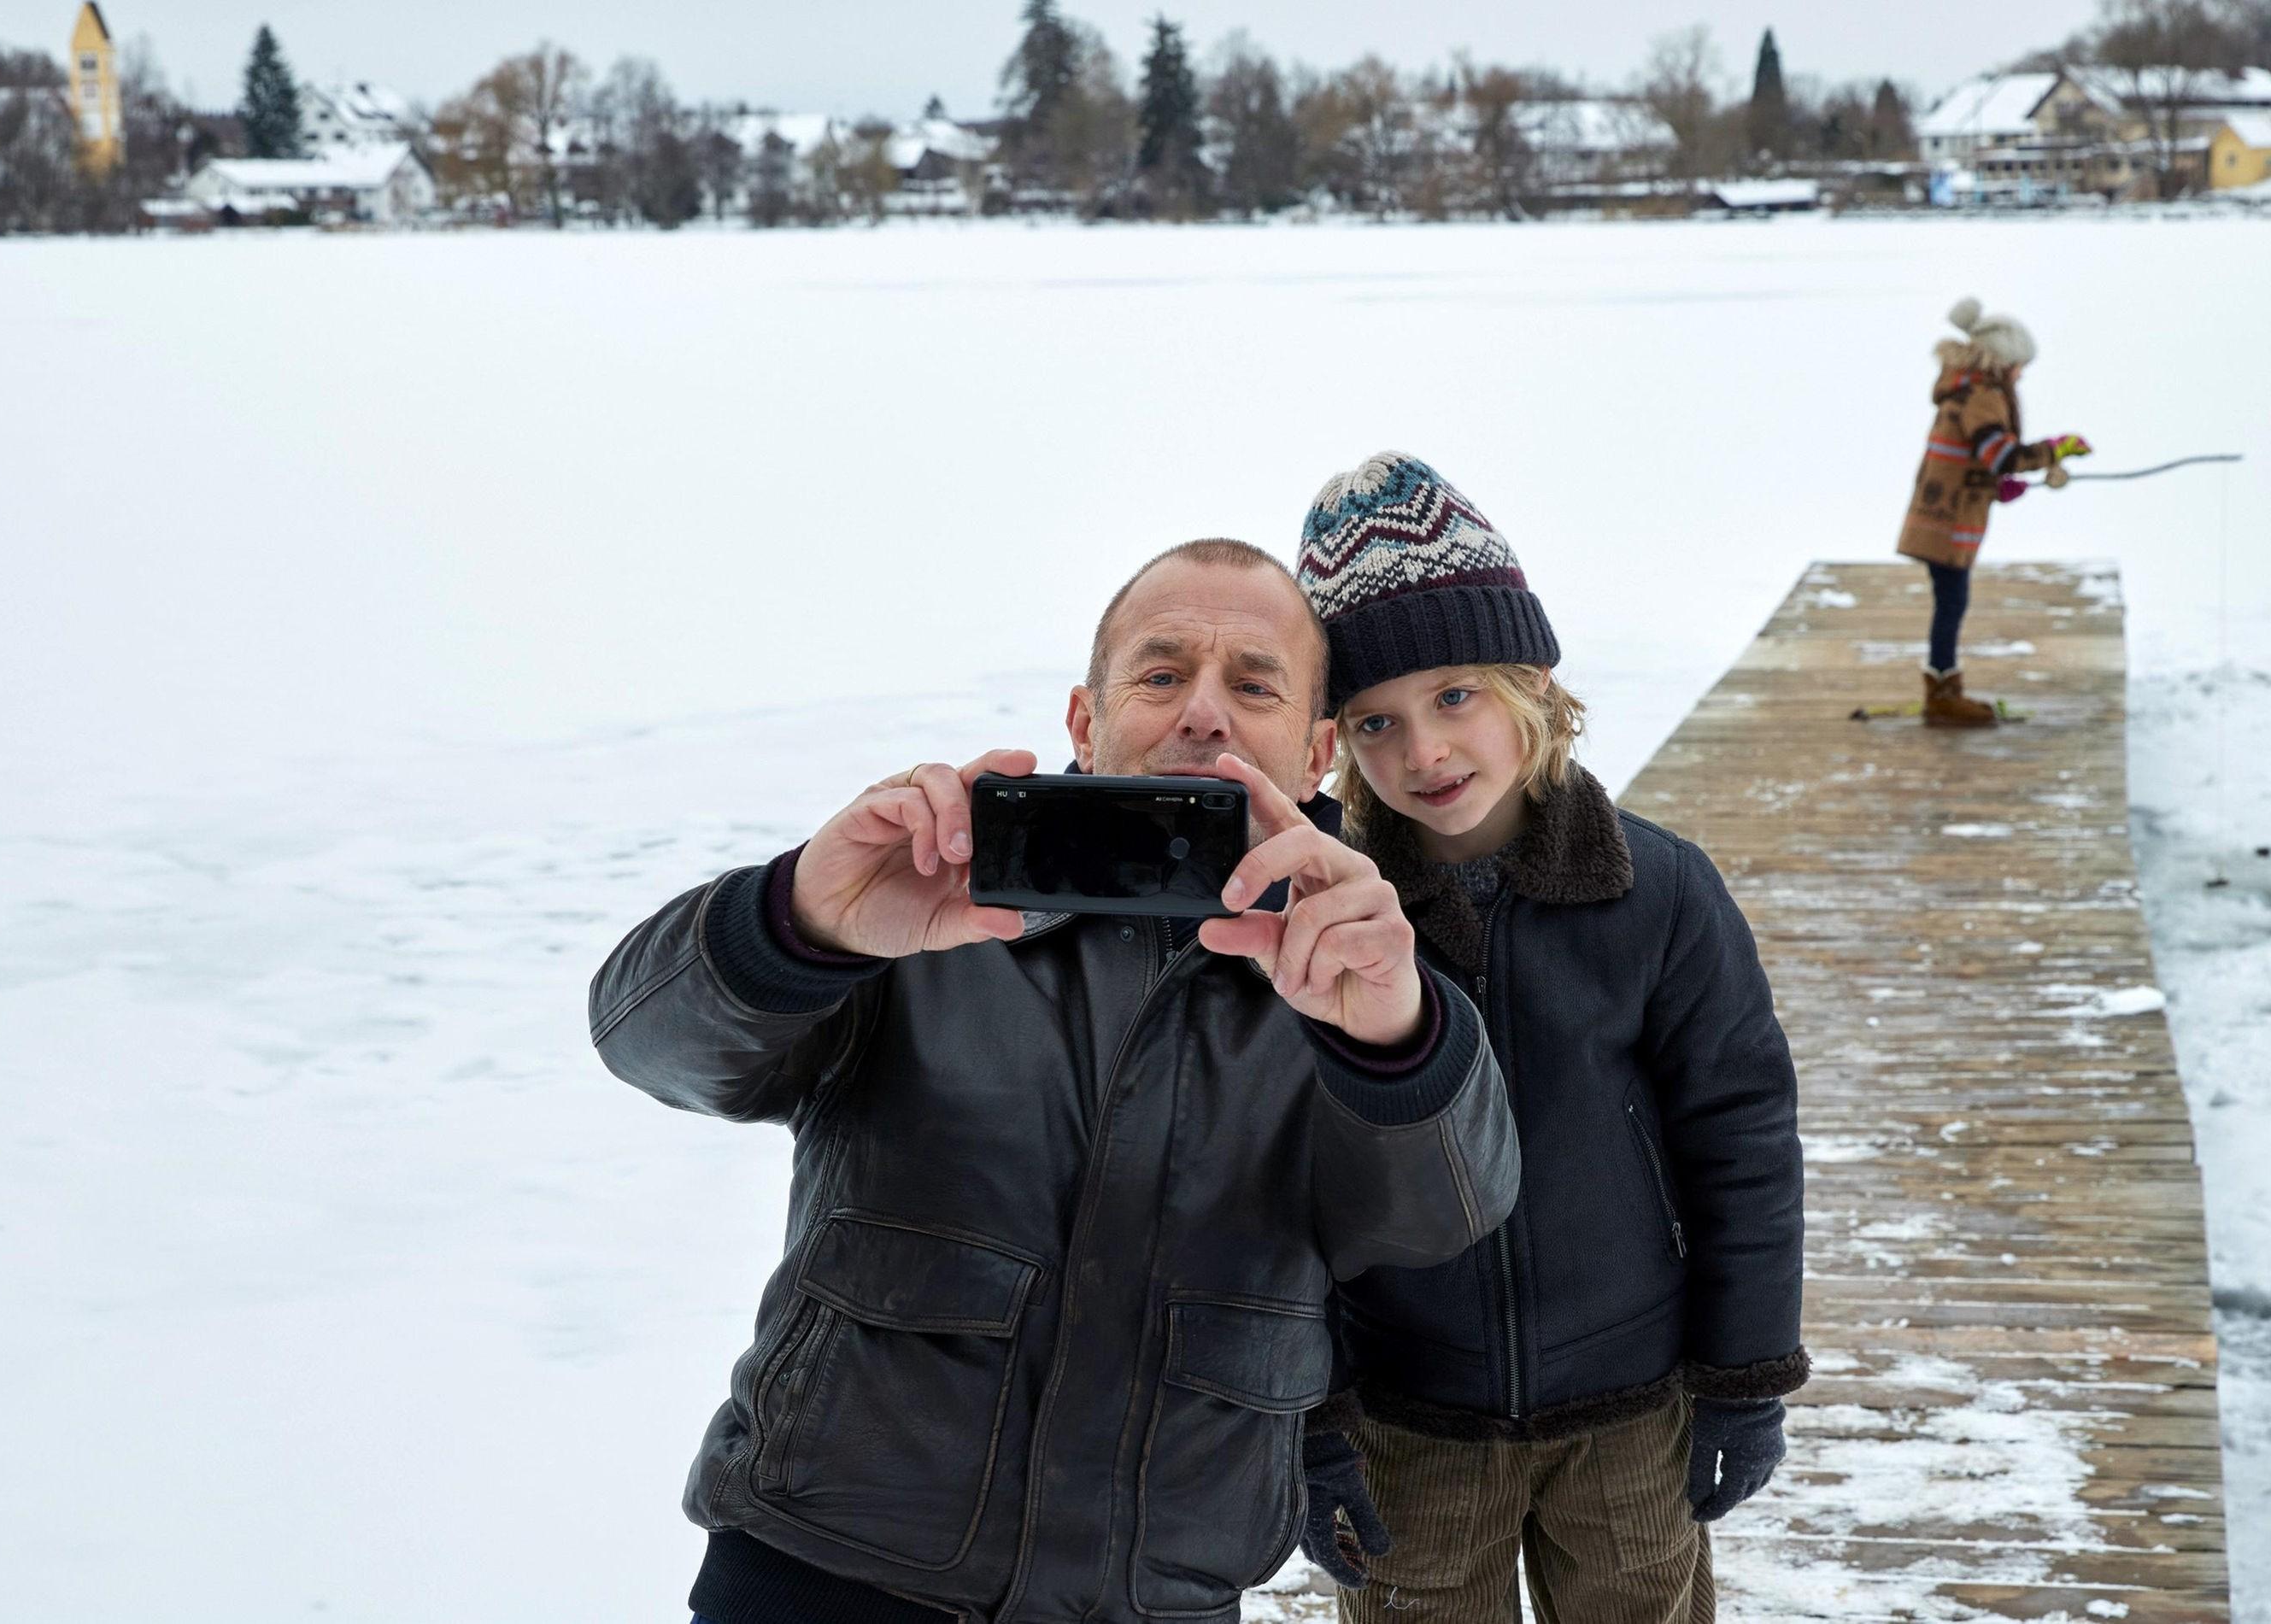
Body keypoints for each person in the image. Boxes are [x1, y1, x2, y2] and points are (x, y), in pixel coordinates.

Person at [589, 537, 1519, 1624]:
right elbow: (646, 1043)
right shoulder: (926, 902)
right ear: (1086, 719)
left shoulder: (1361, 963)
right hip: (820, 1571)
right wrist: (798, 919)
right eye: (1163, 673)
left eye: (1253, 683)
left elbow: (1440, 1214)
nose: (1204, 713)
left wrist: (1394, 1041)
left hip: (1154, 1597)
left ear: (1317, 751)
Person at [1286, 454, 1808, 1624]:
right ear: (1336, 741)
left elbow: (1744, 1141)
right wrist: (1307, 1422)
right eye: (1376, 719)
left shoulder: (1660, 892)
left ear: (1530, 678)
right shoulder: (1326, 921)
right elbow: (1282, 1193)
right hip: (1409, 1425)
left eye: (1456, 695)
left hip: (1632, 1410)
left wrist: (1745, 1375)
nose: (1424, 751)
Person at [1897, 296, 2093, 727]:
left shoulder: (1967, 389)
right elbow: (1999, 455)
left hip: (1940, 514)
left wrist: (2001, 487)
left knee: (1950, 602)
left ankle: (1943, 687)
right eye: (2020, 365)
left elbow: (1976, 459)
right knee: (1951, 604)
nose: (2022, 374)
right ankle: (1943, 694)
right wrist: (2053, 451)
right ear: (2003, 361)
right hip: (1946, 520)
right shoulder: (1984, 395)